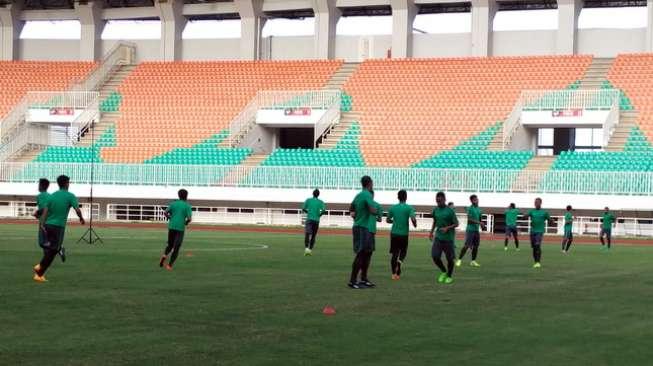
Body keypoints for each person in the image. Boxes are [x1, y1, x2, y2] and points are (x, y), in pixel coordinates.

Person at [33, 175, 85, 282]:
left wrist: (42, 224)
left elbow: (45, 211)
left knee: (51, 248)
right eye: (68, 182)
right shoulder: (70, 196)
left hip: (48, 225)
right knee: (54, 249)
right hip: (58, 227)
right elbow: (77, 209)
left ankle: (40, 271)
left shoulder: (52, 196)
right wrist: (81, 218)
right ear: (66, 183)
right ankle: (39, 271)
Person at [348, 176, 377, 289]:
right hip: (363, 228)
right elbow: (371, 209)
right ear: (370, 183)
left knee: (368, 252)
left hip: (361, 226)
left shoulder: (358, 195)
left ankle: (364, 279)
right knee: (361, 253)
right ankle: (353, 280)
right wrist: (376, 211)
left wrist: (355, 217)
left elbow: (351, 207)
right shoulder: (367, 194)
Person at [429, 191, 459, 285]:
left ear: (444, 200)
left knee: (450, 259)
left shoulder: (450, 211)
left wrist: (447, 228)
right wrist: (431, 232)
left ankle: (449, 276)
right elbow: (435, 221)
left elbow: (457, 223)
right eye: (437, 201)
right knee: (435, 256)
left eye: (440, 200)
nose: (438, 202)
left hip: (448, 239)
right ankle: (443, 271)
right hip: (438, 237)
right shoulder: (435, 210)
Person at [386, 189, 417, 280]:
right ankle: (399, 262)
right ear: (406, 197)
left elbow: (387, 220)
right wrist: (415, 224)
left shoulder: (393, 208)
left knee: (394, 253)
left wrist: (393, 221)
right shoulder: (409, 208)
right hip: (404, 234)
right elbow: (413, 218)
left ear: (398, 197)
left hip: (394, 233)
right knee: (403, 251)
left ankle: (393, 274)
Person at [159, 189, 192, 271]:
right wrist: (186, 223)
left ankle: (164, 256)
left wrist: (170, 218)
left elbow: (165, 213)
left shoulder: (173, 203)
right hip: (180, 228)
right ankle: (169, 265)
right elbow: (189, 218)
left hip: (171, 227)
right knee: (176, 247)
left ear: (178, 195)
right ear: (186, 196)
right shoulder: (187, 206)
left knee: (170, 244)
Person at [456, 194, 486, 267]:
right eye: (475, 199)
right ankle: (459, 260)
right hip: (470, 230)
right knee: (466, 246)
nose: (477, 200)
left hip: (476, 230)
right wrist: (479, 223)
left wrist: (482, 226)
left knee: (476, 246)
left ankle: (473, 261)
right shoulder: (470, 209)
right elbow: (469, 220)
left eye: (477, 199)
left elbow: (480, 219)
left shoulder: (479, 209)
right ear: (471, 201)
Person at [302, 189, 326, 256]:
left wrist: (308, 212)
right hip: (316, 220)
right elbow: (324, 211)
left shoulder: (308, 200)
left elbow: (303, 208)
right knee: (314, 235)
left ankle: (306, 248)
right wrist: (319, 215)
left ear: (312, 194)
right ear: (318, 194)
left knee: (307, 233)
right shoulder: (321, 202)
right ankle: (310, 249)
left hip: (309, 219)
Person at [527, 198, 550, 269]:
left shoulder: (544, 212)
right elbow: (526, 216)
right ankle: (535, 262)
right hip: (532, 231)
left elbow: (549, 220)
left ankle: (538, 262)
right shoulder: (531, 211)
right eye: (535, 202)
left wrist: (551, 221)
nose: (536, 204)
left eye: (537, 202)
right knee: (534, 247)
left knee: (537, 245)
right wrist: (524, 216)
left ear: (540, 203)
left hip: (540, 231)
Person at [33, 178, 51, 252]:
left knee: (42, 242)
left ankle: (58, 249)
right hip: (50, 221)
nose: (38, 187)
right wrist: (37, 215)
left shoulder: (40, 196)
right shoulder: (50, 196)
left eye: (39, 185)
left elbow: (44, 209)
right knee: (47, 241)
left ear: (41, 186)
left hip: (44, 222)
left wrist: (37, 213)